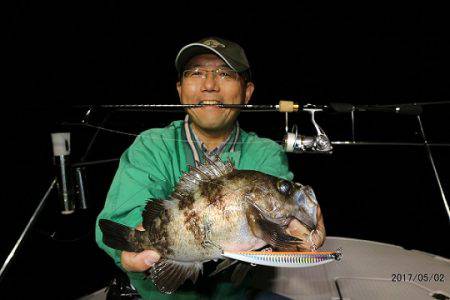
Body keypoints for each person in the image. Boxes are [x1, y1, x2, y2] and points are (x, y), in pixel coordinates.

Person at [95, 37, 326, 299]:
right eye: (196, 73)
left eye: (225, 73)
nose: (209, 85)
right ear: (180, 89)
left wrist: (299, 227)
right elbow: (127, 213)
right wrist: (133, 243)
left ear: (247, 92)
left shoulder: (265, 153)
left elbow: (284, 219)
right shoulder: (151, 145)